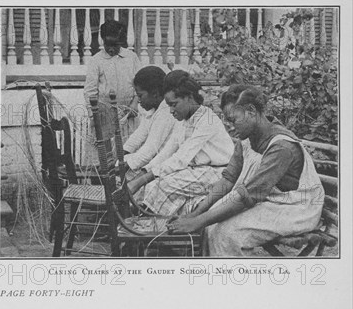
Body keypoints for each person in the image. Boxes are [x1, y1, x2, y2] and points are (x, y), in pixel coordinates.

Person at [169, 84, 324, 256]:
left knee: (226, 234)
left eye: (233, 120)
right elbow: (228, 180)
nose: (231, 127)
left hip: (295, 208)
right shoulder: (246, 141)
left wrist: (198, 221)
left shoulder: (282, 146)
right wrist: (197, 215)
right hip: (268, 200)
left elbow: (249, 196)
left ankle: (236, 278)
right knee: (210, 224)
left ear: (250, 111)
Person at [127, 72, 234, 218]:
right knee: (151, 186)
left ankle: (147, 230)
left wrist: (141, 180)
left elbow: (180, 159)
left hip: (218, 173)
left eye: (174, 104)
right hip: (198, 170)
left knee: (160, 186)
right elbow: (166, 153)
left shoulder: (208, 120)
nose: (171, 110)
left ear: (189, 97)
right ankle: (144, 225)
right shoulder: (184, 121)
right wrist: (142, 175)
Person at [83, 20, 141, 159]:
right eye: (107, 44)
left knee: (127, 154)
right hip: (103, 117)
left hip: (127, 115)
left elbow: (140, 83)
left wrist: (135, 103)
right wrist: (94, 116)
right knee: (104, 157)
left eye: (115, 45)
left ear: (121, 42)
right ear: (102, 41)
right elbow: (90, 92)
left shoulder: (131, 57)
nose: (111, 49)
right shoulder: (96, 60)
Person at [123, 66, 177, 177]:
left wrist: (122, 165)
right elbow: (139, 135)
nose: (138, 100)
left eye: (140, 95)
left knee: (126, 173)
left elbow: (150, 150)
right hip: (153, 160)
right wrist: (121, 155)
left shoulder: (166, 112)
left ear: (155, 94)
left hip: (165, 165)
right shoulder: (153, 109)